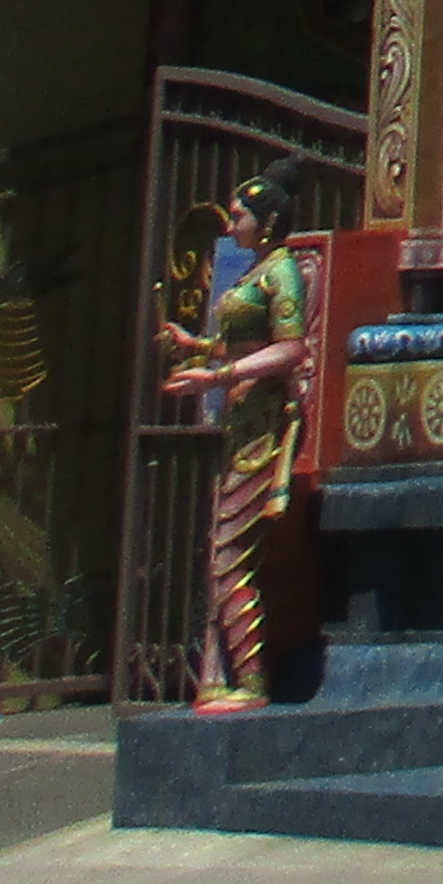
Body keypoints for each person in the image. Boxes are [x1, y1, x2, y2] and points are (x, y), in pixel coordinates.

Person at [161, 173, 309, 709]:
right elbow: (241, 345)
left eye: (240, 216)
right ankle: (224, 674)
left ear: (267, 223)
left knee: (229, 554)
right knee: (220, 551)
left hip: (262, 430)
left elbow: (290, 349)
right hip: (240, 424)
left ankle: (250, 681)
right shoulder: (256, 271)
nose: (231, 226)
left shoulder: (282, 272)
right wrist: (197, 347)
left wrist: (218, 377)